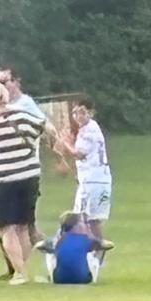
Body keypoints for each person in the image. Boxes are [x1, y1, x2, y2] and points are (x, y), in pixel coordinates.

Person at [0, 80, 45, 285]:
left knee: (6, 228)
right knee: (23, 226)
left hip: (5, 179)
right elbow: (41, 130)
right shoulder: (23, 116)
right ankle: (22, 270)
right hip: (30, 176)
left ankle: (20, 273)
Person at [56, 99, 112, 241]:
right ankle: (97, 250)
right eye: (75, 113)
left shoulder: (88, 131)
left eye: (82, 112)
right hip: (101, 180)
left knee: (78, 218)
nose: (78, 116)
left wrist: (66, 142)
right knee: (93, 221)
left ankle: (67, 245)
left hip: (92, 182)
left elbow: (79, 154)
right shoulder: (92, 127)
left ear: (91, 113)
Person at [35, 210, 113, 284]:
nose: (86, 225)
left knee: (50, 254)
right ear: (76, 226)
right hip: (84, 279)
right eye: (83, 223)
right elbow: (109, 245)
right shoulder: (85, 239)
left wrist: (54, 250)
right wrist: (94, 241)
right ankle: (93, 274)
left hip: (59, 279)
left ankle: (52, 276)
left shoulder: (58, 240)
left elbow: (39, 245)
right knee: (95, 252)